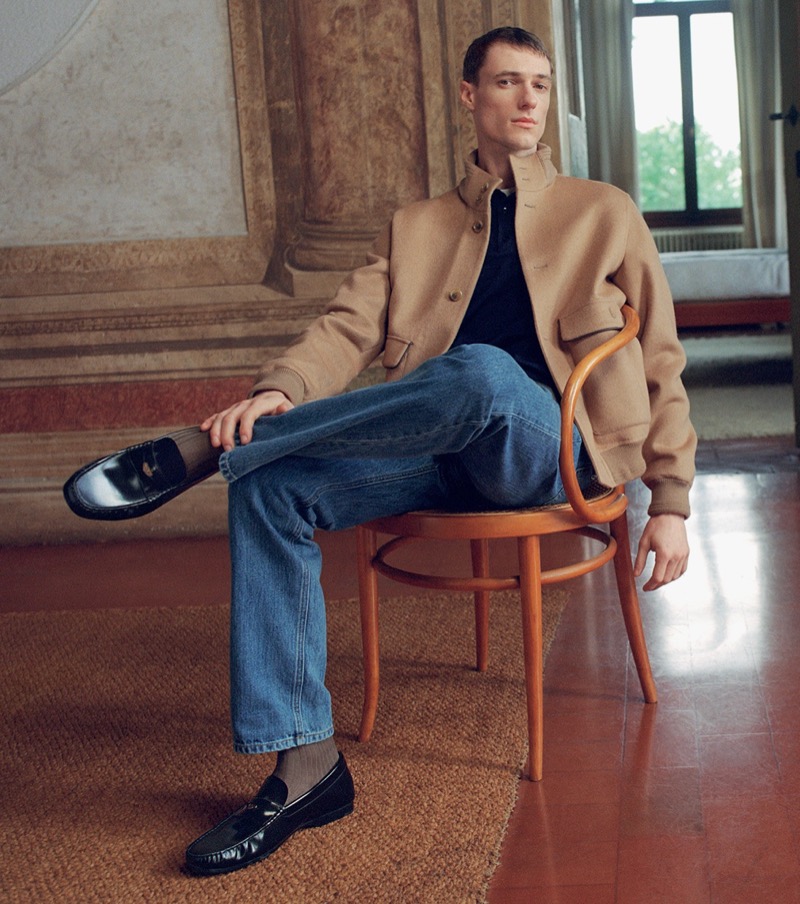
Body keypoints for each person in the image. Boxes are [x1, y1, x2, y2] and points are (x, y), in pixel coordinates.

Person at [64, 26, 695, 876]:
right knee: (270, 488)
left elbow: (661, 358)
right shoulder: (416, 227)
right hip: (439, 453)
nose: (528, 100)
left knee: (481, 371)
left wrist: (673, 502)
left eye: (540, 84)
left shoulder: (602, 211)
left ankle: (212, 449)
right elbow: (346, 327)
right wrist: (281, 388)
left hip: (549, 451)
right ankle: (307, 766)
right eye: (507, 82)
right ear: (468, 95)